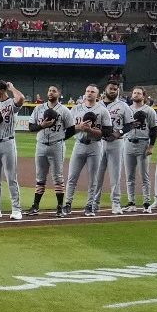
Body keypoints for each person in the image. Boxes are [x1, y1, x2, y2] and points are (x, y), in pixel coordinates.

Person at [61, 85, 106, 218]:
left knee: (93, 178)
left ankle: (90, 205)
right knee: (72, 177)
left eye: (92, 92)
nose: (89, 93)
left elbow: (106, 131)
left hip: (95, 145)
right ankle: (68, 204)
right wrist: (78, 127)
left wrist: (91, 130)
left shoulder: (102, 111)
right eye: (87, 91)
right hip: (79, 144)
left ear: (97, 95)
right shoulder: (75, 109)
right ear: (84, 93)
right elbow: (67, 130)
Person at [0, 80, 24, 220]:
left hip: (8, 142)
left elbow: (20, 98)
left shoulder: (11, 104)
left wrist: (11, 87)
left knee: (11, 177)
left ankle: (16, 209)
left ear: (1, 90)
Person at [27, 85, 67, 216]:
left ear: (59, 94)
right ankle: (35, 206)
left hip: (57, 146)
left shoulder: (64, 110)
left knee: (58, 177)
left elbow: (72, 128)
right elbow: (31, 127)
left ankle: (60, 207)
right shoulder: (39, 108)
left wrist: (60, 137)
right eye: (49, 90)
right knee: (40, 176)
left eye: (54, 91)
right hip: (41, 145)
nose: (51, 93)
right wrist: (41, 126)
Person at [120, 88, 154, 213]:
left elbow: (154, 129)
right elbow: (123, 127)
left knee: (144, 176)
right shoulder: (127, 109)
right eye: (134, 93)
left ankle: (146, 203)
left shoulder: (149, 111)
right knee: (129, 176)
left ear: (144, 96)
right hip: (128, 143)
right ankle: (131, 203)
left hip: (143, 143)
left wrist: (151, 146)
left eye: (139, 93)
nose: (136, 95)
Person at [99, 83, 129, 214]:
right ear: (105, 90)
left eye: (115, 89)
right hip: (99, 142)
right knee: (96, 175)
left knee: (115, 175)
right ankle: (94, 203)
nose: (112, 91)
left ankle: (116, 204)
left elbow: (130, 124)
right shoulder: (97, 105)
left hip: (116, 142)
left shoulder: (123, 106)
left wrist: (119, 132)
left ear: (118, 91)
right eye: (110, 88)